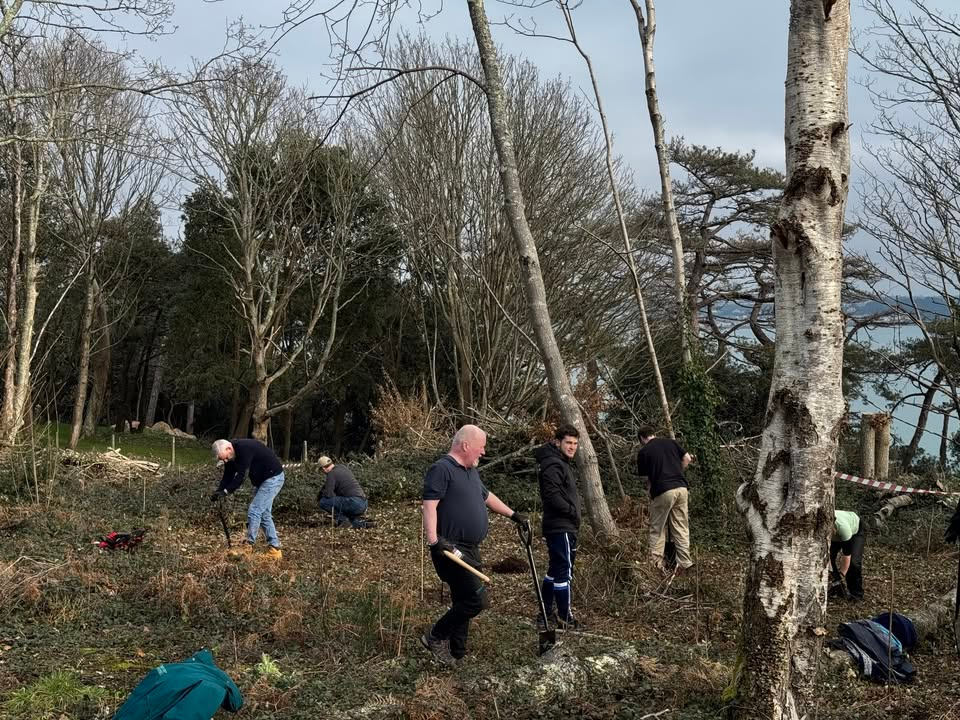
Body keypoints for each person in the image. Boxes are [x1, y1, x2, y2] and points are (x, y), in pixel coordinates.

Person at [420, 424, 529, 666]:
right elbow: (429, 506)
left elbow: (487, 497)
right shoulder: (442, 469)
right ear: (466, 445)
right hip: (450, 549)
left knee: (462, 599)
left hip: (470, 548)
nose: (483, 452)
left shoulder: (471, 472)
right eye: (481, 447)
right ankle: (435, 636)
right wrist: (435, 541)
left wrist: (514, 515)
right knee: (476, 600)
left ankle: (457, 653)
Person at [535, 424, 582, 630]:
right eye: (568, 442)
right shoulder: (553, 464)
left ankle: (546, 612)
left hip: (562, 525)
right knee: (564, 571)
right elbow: (552, 496)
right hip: (560, 525)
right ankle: (565, 617)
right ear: (557, 442)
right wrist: (572, 511)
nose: (572, 447)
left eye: (575, 443)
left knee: (555, 569)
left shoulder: (559, 462)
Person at [210, 438, 284, 559]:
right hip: (263, 481)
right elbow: (228, 475)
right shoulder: (231, 455)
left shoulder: (244, 449)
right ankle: (275, 550)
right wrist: (218, 491)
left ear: (228, 449)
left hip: (273, 478)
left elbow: (241, 476)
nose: (225, 461)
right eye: (223, 460)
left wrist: (226, 491)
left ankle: (248, 546)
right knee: (264, 514)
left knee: (254, 510)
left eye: (225, 458)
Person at [636, 426, 695, 573]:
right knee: (681, 527)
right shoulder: (671, 442)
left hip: (663, 490)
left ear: (642, 438)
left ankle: (657, 566)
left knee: (657, 528)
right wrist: (677, 472)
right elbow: (687, 458)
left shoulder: (644, 452)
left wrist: (651, 492)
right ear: (654, 434)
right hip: (682, 488)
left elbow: (648, 478)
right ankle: (685, 564)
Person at [317, 456, 374, 529]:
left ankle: (343, 521)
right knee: (350, 520)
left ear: (323, 468)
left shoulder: (331, 474)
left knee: (323, 502)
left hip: (354, 503)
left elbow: (329, 495)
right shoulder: (342, 467)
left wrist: (321, 495)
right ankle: (365, 525)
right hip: (363, 503)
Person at [830, 509, 865, 601]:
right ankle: (836, 589)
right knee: (828, 559)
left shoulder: (843, 528)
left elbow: (847, 555)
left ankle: (856, 594)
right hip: (836, 536)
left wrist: (842, 574)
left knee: (853, 562)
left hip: (855, 530)